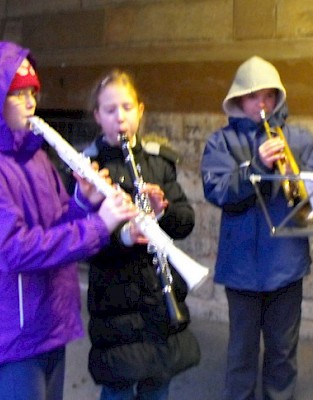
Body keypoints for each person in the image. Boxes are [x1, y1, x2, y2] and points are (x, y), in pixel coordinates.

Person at [0, 42, 136, 400]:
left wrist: (85, 202)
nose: (31, 103)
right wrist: (99, 225)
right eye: (17, 95)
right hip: (16, 333)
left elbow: (58, 224)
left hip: (50, 320)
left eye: (33, 92)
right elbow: (16, 249)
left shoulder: (37, 157)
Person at [200, 55, 313, 400]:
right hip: (241, 268)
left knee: (282, 355)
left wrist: (296, 176)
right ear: (239, 99)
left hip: (286, 265)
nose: (262, 104)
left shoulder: (301, 140)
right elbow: (218, 191)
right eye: (254, 96)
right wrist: (257, 166)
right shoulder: (221, 142)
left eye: (269, 96)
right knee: (241, 356)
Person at [84, 69, 200, 400]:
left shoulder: (158, 163)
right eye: (110, 110)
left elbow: (185, 222)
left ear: (140, 110)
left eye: (127, 107)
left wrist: (162, 211)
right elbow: (83, 243)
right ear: (97, 116)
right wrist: (121, 236)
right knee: (118, 388)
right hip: (115, 303)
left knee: (157, 384)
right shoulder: (88, 169)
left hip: (157, 298)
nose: (120, 117)